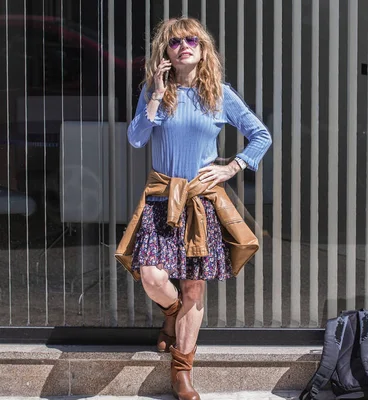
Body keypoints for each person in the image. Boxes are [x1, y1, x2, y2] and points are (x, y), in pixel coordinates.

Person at [125, 17, 271, 400]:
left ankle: (182, 371)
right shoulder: (153, 92)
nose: (184, 45)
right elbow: (137, 138)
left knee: (194, 286)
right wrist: (155, 94)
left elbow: (261, 135)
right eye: (175, 42)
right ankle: (171, 313)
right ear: (165, 53)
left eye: (192, 39)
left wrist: (231, 166)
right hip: (161, 200)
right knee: (152, 276)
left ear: (203, 49)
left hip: (201, 204)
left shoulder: (219, 94)